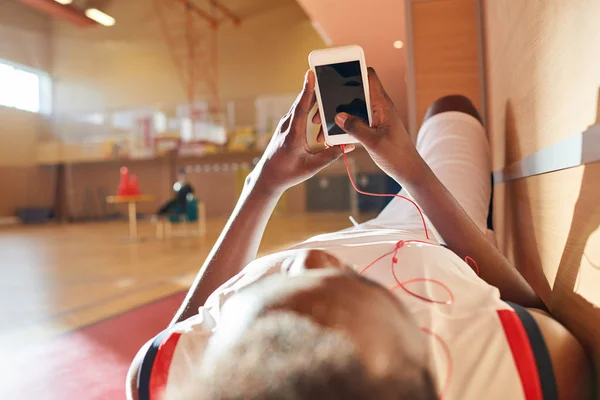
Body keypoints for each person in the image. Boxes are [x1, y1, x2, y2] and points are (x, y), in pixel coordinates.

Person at [127, 69, 593, 400]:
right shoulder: (528, 370)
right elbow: (534, 311)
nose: (310, 258)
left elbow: (175, 335)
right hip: (426, 232)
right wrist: (411, 169)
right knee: (452, 107)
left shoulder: (177, 381)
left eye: (282, 289)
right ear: (423, 362)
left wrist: (263, 183)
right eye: (347, 284)